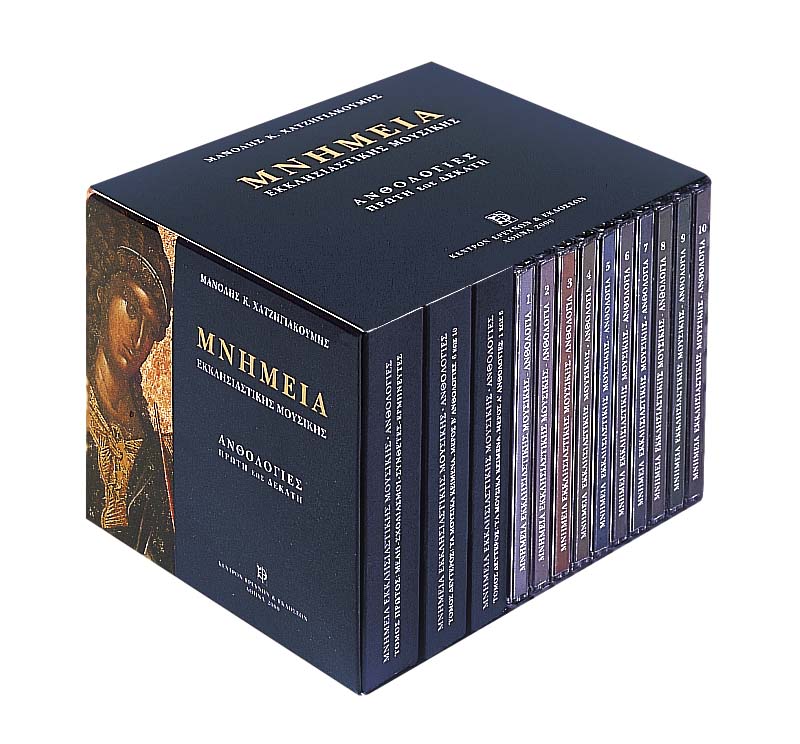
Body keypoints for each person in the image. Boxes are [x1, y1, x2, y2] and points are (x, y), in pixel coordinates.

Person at [86, 196, 175, 572]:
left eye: (150, 328)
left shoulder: (152, 446)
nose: (138, 338)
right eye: (132, 308)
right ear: (103, 294)